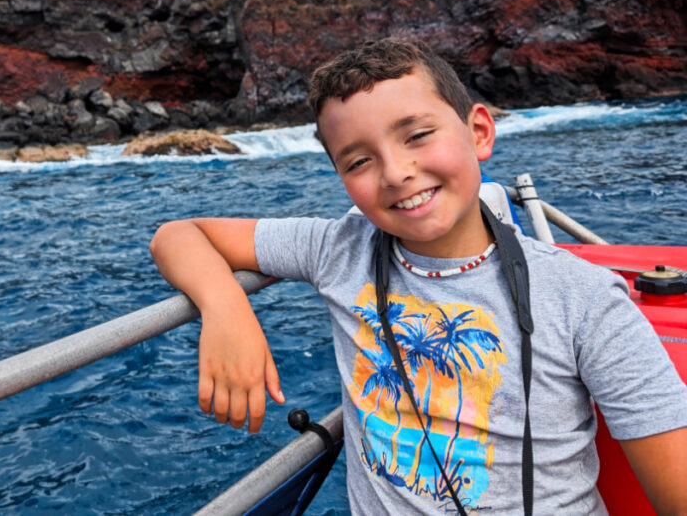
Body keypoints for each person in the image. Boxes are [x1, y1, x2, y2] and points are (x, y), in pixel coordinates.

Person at [150, 38, 687, 514]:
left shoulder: (585, 299)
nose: (395, 172)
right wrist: (227, 308)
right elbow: (177, 234)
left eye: (417, 135)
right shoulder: (340, 248)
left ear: (479, 132)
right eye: (358, 162)